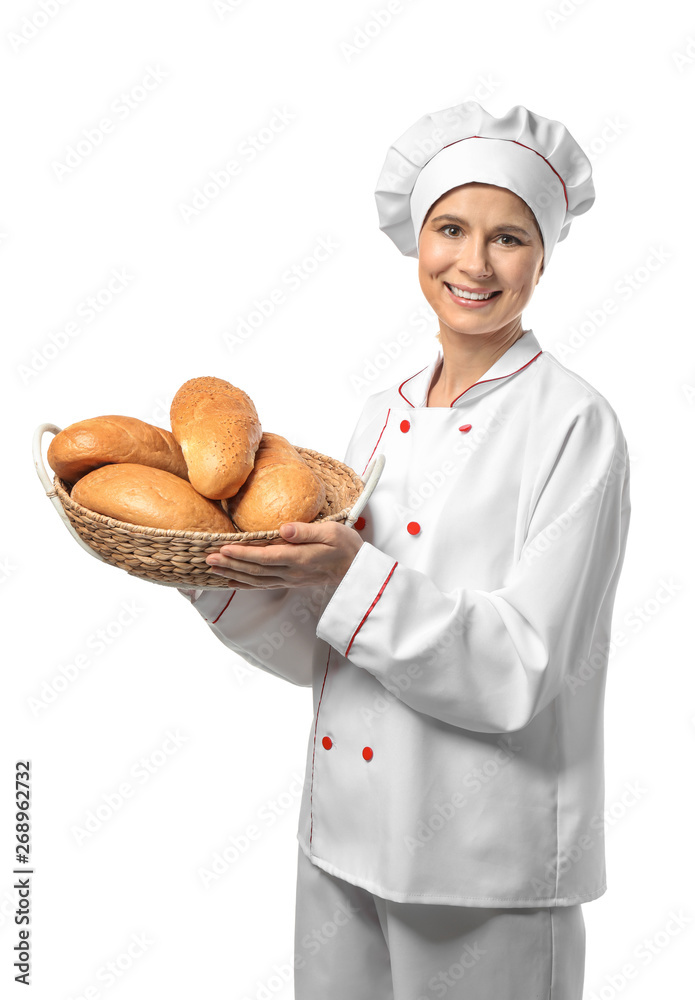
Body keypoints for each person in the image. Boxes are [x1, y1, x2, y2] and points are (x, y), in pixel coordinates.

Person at [178, 101, 631, 999]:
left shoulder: (574, 424)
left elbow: (522, 666)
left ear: (542, 257)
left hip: (483, 866)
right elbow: (332, 648)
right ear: (415, 241)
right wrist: (218, 572)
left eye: (507, 238)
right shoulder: (380, 413)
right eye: (450, 229)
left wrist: (354, 577)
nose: (472, 262)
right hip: (340, 842)